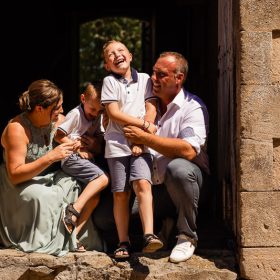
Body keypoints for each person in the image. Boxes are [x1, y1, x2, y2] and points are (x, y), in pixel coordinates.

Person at [0, 79, 105, 256]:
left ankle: (73, 236)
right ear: (40, 109)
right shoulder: (17, 129)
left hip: (49, 177)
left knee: (79, 188)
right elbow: (15, 175)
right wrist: (51, 157)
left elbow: (89, 141)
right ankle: (59, 241)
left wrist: (92, 146)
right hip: (20, 183)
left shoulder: (60, 123)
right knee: (46, 197)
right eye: (57, 108)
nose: (62, 111)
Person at [123, 51, 209, 263]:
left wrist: (145, 138)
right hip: (154, 190)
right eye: (153, 72)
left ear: (178, 78)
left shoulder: (192, 107)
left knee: (178, 168)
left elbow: (189, 150)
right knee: (105, 218)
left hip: (188, 186)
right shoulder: (143, 104)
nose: (153, 78)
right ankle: (164, 224)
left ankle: (187, 236)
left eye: (160, 75)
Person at [101, 40, 163, 259]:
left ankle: (149, 234)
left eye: (120, 50)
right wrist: (144, 126)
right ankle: (123, 241)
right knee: (121, 194)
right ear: (107, 65)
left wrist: (142, 138)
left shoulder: (145, 79)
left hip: (142, 144)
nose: (117, 55)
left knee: (143, 183)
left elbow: (151, 107)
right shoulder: (109, 81)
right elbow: (115, 114)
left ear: (130, 55)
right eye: (111, 54)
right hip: (117, 145)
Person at [54, 82, 109, 252]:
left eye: (99, 111)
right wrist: (75, 146)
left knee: (95, 198)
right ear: (83, 99)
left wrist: (92, 146)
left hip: (86, 159)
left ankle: (74, 237)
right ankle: (74, 210)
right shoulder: (76, 114)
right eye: (92, 110)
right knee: (103, 178)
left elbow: (100, 140)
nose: (95, 114)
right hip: (71, 158)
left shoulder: (98, 116)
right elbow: (58, 134)